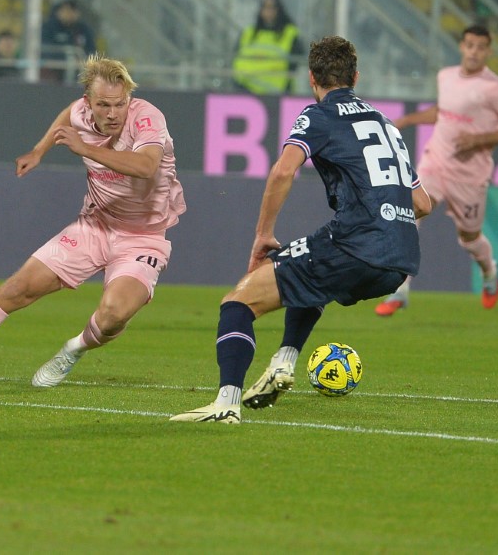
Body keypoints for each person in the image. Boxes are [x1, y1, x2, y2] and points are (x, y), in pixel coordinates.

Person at [170, 36, 430, 423]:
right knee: (312, 272)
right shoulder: (386, 124)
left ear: (311, 78)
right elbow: (423, 202)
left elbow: (283, 170)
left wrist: (263, 233)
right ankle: (284, 360)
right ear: (355, 76)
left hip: (357, 243)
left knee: (237, 303)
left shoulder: (320, 115)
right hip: (401, 260)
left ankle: (226, 404)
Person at [0, 55, 185, 387]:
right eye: (103, 104)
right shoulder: (81, 112)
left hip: (143, 237)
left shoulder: (147, 118)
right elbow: (66, 118)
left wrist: (85, 150)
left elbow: (146, 166)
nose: (113, 113)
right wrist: (39, 150)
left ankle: (73, 349)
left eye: (120, 104)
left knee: (114, 315)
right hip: (95, 225)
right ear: (88, 102)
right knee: (18, 288)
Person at [375, 24, 498, 317]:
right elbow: (441, 111)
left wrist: (478, 139)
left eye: (480, 47)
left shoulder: (496, 89)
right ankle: (400, 290)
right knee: (410, 212)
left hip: (470, 175)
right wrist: (405, 121)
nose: (473, 51)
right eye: (469, 44)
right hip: (436, 161)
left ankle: (489, 271)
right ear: (462, 46)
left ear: (489, 51)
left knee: (469, 238)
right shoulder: (445, 76)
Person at [232, 0, 303, 95]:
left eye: (272, 7)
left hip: (278, 91)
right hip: (246, 89)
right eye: (265, 7)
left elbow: (295, 61)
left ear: (279, 10)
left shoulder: (289, 33)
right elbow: (236, 57)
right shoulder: (248, 33)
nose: (268, 11)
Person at [40, 0, 98, 82]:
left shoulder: (83, 29)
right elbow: (45, 50)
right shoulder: (49, 28)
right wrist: (66, 59)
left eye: (73, 10)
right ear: (59, 11)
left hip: (79, 73)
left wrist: (83, 60)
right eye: (67, 10)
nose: (70, 14)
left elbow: (92, 51)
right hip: (53, 72)